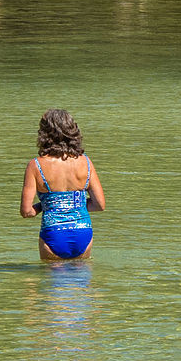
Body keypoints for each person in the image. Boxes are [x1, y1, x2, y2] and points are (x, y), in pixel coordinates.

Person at [20, 109, 106, 261]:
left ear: (44, 134)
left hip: (53, 234)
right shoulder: (85, 162)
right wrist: (73, 204)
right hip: (83, 232)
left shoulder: (35, 166)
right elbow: (99, 205)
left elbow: (27, 212)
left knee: (51, 282)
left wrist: (48, 204)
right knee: (81, 280)